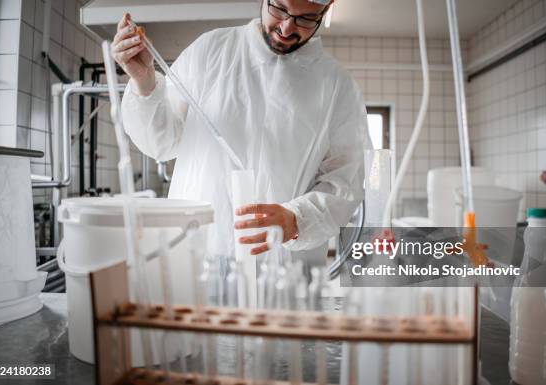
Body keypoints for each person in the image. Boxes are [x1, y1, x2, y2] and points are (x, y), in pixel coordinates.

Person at [112, 0, 368, 266]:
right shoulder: (211, 50)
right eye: (279, 8)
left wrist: (297, 219)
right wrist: (143, 81)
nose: (286, 27)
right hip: (197, 256)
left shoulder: (337, 86)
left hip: (280, 269)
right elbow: (161, 143)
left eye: (305, 19)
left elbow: (344, 181)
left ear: (325, 11)